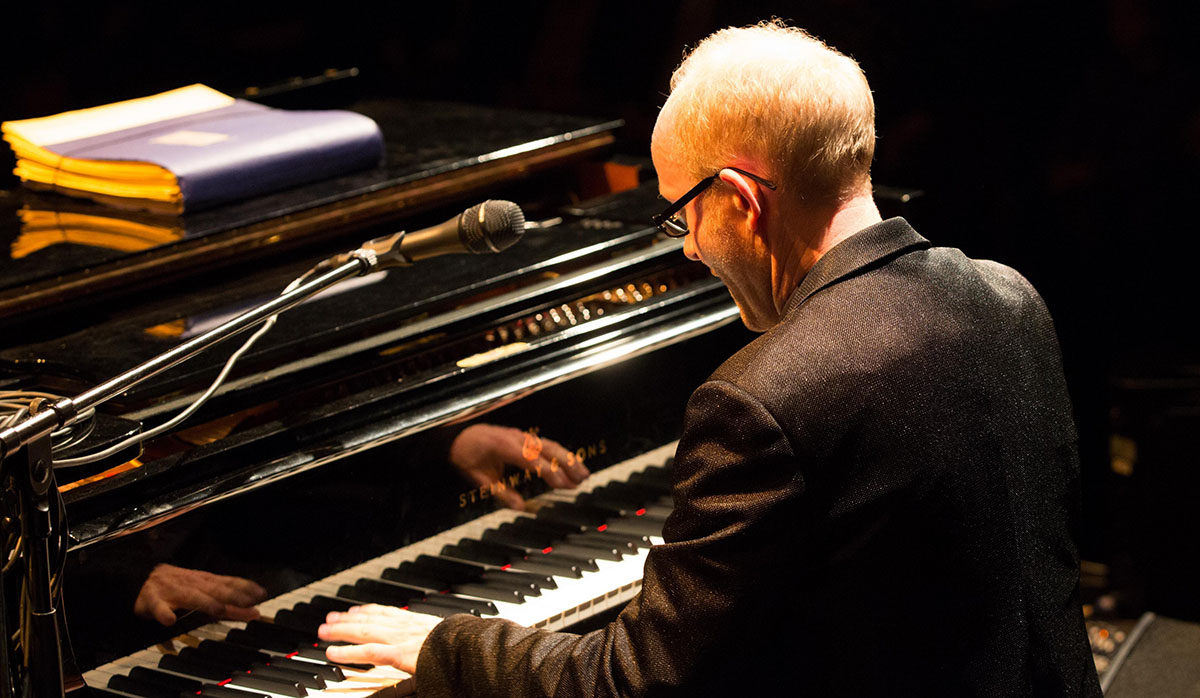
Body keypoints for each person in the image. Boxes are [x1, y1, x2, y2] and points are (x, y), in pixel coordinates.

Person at [318, 21, 1102, 697]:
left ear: (739, 196)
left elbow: (634, 681)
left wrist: (445, 646)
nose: (689, 246)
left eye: (681, 214)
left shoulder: (766, 396)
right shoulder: (1009, 297)